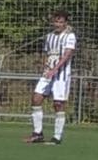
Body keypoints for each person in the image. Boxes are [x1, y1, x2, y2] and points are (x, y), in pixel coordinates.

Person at [26, 10, 77, 145]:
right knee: (36, 98)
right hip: (48, 73)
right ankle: (37, 133)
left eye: (61, 22)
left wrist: (55, 69)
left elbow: (67, 54)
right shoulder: (49, 36)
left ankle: (57, 137)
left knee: (58, 104)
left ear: (66, 23)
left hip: (61, 75)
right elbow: (47, 53)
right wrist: (45, 66)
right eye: (56, 21)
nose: (58, 24)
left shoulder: (70, 36)